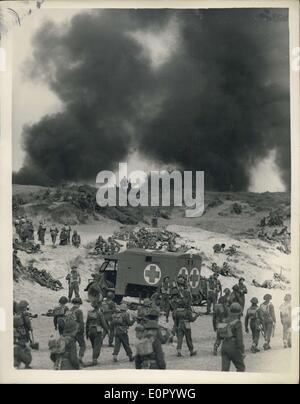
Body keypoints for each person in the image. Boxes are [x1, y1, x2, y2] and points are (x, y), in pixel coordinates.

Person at [221, 303, 245, 372]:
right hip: (233, 346)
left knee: (224, 370)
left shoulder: (224, 320)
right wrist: (242, 351)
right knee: (241, 367)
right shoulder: (237, 322)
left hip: (224, 345)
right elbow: (239, 339)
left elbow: (219, 335)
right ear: (239, 312)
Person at [86, 301, 109, 366]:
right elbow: (104, 323)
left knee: (94, 345)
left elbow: (87, 323)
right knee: (97, 346)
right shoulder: (100, 313)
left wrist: (87, 333)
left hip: (90, 330)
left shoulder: (89, 312)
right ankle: (94, 359)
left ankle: (94, 357)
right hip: (97, 331)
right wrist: (107, 330)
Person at [66, 297, 86, 364]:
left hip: (70, 331)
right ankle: (80, 358)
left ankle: (72, 359)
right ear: (79, 303)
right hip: (77, 330)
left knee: (73, 346)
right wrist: (82, 330)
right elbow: (81, 322)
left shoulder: (69, 311)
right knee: (82, 345)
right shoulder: (79, 311)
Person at [13, 300, 33, 369]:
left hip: (18, 330)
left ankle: (18, 362)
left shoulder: (16, 314)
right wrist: (30, 328)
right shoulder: (25, 314)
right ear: (24, 307)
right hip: (24, 330)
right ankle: (26, 361)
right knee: (25, 344)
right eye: (26, 307)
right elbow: (27, 322)